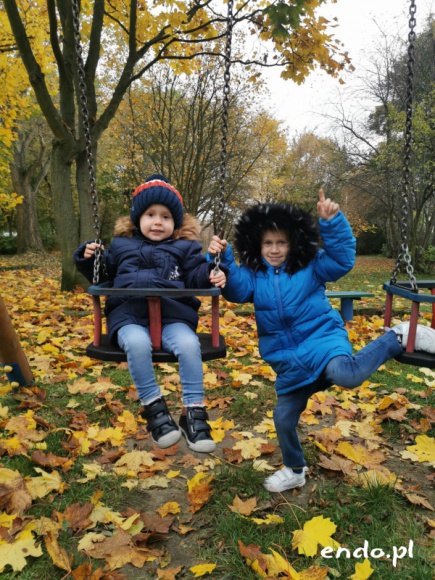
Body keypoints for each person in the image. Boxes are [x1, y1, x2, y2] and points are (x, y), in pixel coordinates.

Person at [208, 190, 435, 492]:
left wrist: (333, 223)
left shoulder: (311, 265)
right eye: (268, 243)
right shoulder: (254, 275)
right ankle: (294, 469)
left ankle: (402, 334)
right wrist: (223, 258)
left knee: (347, 374)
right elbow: (236, 291)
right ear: (257, 244)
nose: (274, 249)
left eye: (281, 242)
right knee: (283, 417)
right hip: (289, 362)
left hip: (323, 341)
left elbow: (342, 260)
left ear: (293, 242)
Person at [74, 174, 227, 453]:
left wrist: (211, 272)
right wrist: (88, 258)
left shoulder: (186, 248)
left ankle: (193, 411)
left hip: (174, 316)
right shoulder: (120, 246)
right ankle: (154, 409)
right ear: (137, 219)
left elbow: (195, 276)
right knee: (136, 343)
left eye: (166, 216)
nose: (158, 221)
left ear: (176, 222)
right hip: (128, 315)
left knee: (189, 345)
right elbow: (103, 273)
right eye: (150, 214)